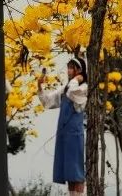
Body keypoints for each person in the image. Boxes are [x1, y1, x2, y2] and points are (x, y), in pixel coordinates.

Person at [38, 56, 89, 194]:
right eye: (68, 67)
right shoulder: (65, 88)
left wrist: (77, 79)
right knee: (68, 173)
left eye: (72, 67)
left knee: (77, 173)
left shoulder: (83, 88)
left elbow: (72, 93)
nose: (68, 70)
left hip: (74, 134)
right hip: (64, 134)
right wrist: (40, 86)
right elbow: (48, 102)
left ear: (79, 70)